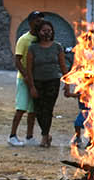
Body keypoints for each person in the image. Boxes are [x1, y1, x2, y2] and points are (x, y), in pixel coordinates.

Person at [21, 20, 68, 148]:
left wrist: (67, 83)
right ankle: (46, 134)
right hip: (37, 82)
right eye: (44, 31)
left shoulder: (57, 47)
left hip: (53, 82)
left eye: (49, 30)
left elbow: (63, 66)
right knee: (38, 110)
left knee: (48, 110)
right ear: (39, 32)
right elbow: (29, 69)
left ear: (52, 31)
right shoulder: (33, 48)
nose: (46, 33)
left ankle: (44, 136)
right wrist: (31, 86)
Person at [9, 12, 45, 147]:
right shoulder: (24, 40)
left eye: (41, 21)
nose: (39, 23)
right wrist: (26, 76)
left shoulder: (41, 40)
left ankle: (29, 137)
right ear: (30, 22)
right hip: (24, 80)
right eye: (37, 21)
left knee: (33, 111)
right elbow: (17, 61)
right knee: (21, 108)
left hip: (37, 79)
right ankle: (12, 136)